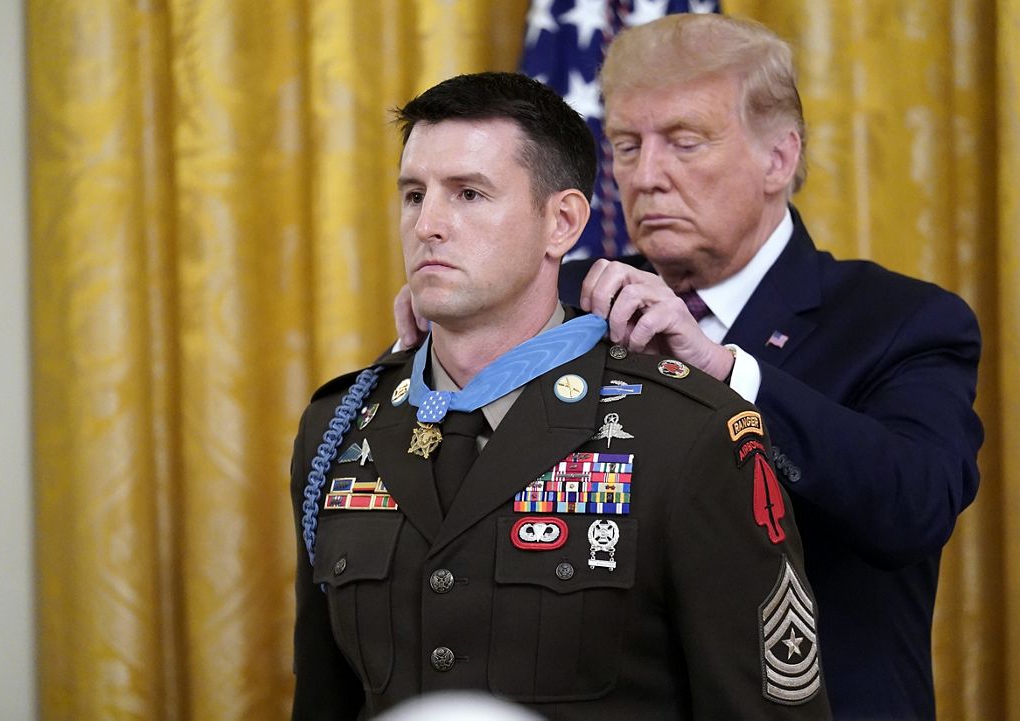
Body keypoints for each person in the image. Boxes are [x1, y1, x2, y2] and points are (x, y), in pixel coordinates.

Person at [387, 13, 982, 721]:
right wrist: (430, 370)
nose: (646, 176)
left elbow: (914, 506)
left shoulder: (897, 320)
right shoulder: (557, 304)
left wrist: (727, 373)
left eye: (684, 143)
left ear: (778, 159)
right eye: (628, 146)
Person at [291, 71, 831, 720]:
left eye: (468, 193)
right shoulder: (341, 428)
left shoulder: (686, 435)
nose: (428, 223)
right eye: (413, 194)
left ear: (563, 222)